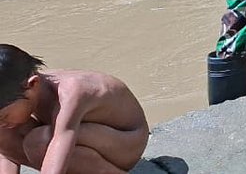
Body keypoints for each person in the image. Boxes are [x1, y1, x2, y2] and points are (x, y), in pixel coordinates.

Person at [0, 45, 148, 174]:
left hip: (126, 143)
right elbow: (6, 155)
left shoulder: (71, 91)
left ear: (32, 85)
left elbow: (61, 140)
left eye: (3, 116)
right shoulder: (26, 89)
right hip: (87, 138)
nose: (2, 122)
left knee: (39, 141)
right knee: (4, 134)